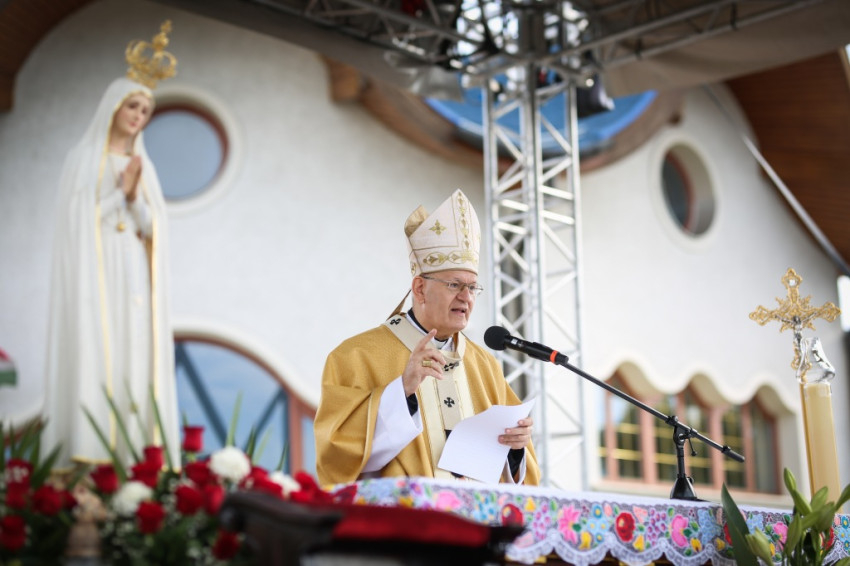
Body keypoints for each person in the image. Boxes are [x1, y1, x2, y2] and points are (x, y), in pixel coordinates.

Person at [315, 189, 540, 486]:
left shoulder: (485, 365)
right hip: (406, 512)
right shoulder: (355, 356)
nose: (466, 297)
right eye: (455, 285)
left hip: (475, 512)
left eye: (473, 287)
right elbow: (335, 457)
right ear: (420, 289)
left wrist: (515, 449)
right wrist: (402, 392)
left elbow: (520, 476)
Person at [42, 22, 179, 468]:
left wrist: (135, 197)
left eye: (146, 110)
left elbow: (153, 229)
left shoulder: (145, 167)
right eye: (133, 105)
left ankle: (135, 455)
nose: (139, 115)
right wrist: (120, 194)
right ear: (114, 106)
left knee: (134, 353)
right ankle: (92, 453)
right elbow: (77, 223)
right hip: (96, 274)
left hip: (133, 272)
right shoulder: (84, 159)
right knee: (100, 350)